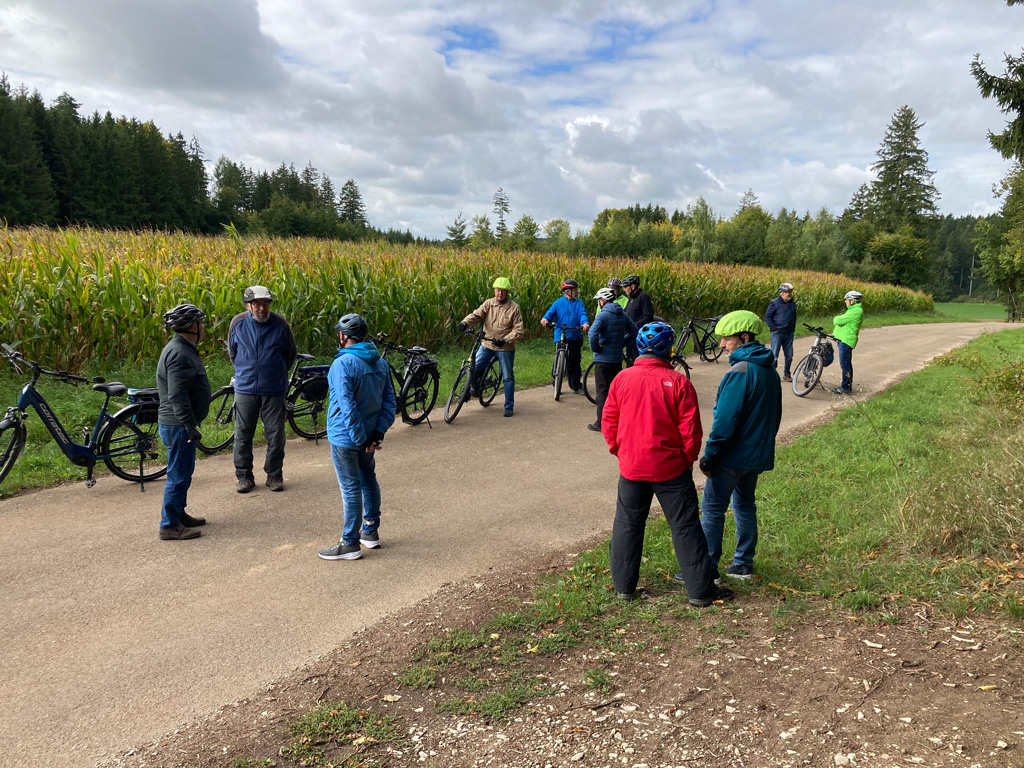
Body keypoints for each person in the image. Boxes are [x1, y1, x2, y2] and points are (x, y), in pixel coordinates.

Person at [601, 321, 732, 607]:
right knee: (685, 526)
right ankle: (700, 591)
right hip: (670, 468)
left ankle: (624, 588)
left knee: (627, 524)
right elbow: (691, 430)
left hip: (632, 467)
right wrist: (687, 459)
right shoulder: (679, 382)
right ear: (669, 350)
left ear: (639, 347)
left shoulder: (622, 379)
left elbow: (609, 421)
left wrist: (619, 450)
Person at [698, 310, 782, 581]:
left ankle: (707, 570)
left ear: (744, 337)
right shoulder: (768, 369)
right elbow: (775, 415)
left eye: (726, 339)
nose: (722, 344)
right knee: (745, 506)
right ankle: (743, 564)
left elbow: (724, 421)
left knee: (712, 509)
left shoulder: (740, 371)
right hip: (755, 456)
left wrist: (710, 455)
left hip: (731, 457)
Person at [318, 314, 397, 561]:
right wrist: (376, 434)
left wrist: (360, 438)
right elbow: (390, 402)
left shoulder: (342, 364)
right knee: (368, 479)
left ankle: (350, 543)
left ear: (342, 336)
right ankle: (370, 532)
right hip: (370, 435)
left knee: (351, 488)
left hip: (346, 437)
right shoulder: (380, 363)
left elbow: (346, 405)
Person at [228, 285, 297, 493]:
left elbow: (290, 354)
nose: (262, 308)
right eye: (257, 304)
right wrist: (245, 372)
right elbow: (233, 353)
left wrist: (274, 373)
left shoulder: (280, 324)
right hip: (245, 388)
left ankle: (274, 475)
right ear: (248, 305)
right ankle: (244, 476)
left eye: (265, 304)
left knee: (276, 434)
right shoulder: (237, 323)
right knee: (242, 434)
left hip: (274, 389)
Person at [156, 303, 211, 541]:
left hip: (178, 423)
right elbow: (177, 395)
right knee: (178, 474)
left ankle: (178, 514)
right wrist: (189, 425)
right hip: (178, 425)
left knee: (184, 472)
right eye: (201, 324)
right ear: (193, 326)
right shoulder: (179, 353)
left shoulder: (182, 347)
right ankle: (169, 525)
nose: (204, 328)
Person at [458, 277, 526, 417]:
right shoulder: (489, 303)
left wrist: (505, 340)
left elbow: (519, 330)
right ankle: (469, 390)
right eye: (497, 290)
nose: (499, 293)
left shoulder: (514, 308)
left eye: (502, 291)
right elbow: (476, 315)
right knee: (473, 367)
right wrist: (465, 322)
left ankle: (508, 406)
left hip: (504, 348)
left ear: (507, 292)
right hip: (487, 344)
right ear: (494, 291)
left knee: (508, 377)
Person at [586, 287, 637, 433]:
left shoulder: (602, 316)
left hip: (603, 361)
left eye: (599, 301)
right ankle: (619, 420)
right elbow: (635, 332)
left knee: (602, 391)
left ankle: (601, 423)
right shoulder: (622, 314)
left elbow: (592, 334)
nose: (598, 303)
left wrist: (597, 349)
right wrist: (622, 344)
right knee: (616, 391)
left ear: (603, 301)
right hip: (616, 359)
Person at [541, 279, 590, 395]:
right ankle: (556, 381)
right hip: (560, 334)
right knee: (558, 355)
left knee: (575, 360)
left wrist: (585, 323)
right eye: (575, 290)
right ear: (568, 291)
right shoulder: (558, 303)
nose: (576, 292)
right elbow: (550, 313)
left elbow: (583, 315)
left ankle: (576, 385)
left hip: (574, 334)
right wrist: (545, 319)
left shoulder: (579, 303)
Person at [832, 290, 864, 394]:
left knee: (844, 365)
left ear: (852, 301)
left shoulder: (855, 311)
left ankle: (845, 388)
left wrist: (838, 319)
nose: (845, 301)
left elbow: (837, 321)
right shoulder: (852, 310)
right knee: (847, 364)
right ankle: (847, 386)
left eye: (847, 300)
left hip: (846, 341)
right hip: (845, 340)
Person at [764, 282, 797, 382]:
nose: (790, 294)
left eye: (791, 292)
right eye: (788, 292)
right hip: (777, 333)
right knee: (774, 356)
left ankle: (787, 374)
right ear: (781, 293)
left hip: (789, 333)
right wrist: (774, 328)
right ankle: (772, 375)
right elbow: (767, 317)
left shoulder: (792, 304)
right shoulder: (774, 303)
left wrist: (793, 329)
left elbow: (794, 317)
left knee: (789, 355)